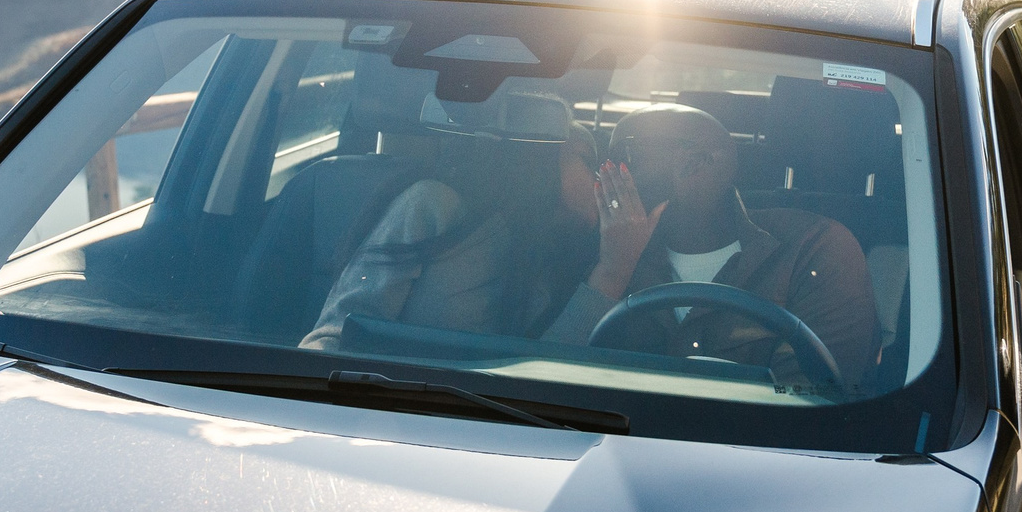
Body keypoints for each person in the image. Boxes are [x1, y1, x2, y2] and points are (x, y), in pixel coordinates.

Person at [544, 103, 877, 387]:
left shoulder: (812, 248)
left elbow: (810, 404)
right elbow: (543, 384)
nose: (606, 173)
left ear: (694, 164)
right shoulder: (598, 247)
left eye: (625, 155)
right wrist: (613, 269)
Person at [298, 112, 614, 351]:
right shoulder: (435, 205)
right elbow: (334, 338)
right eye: (589, 161)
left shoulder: (559, 257)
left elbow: (552, 381)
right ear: (541, 157)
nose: (601, 177)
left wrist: (617, 266)